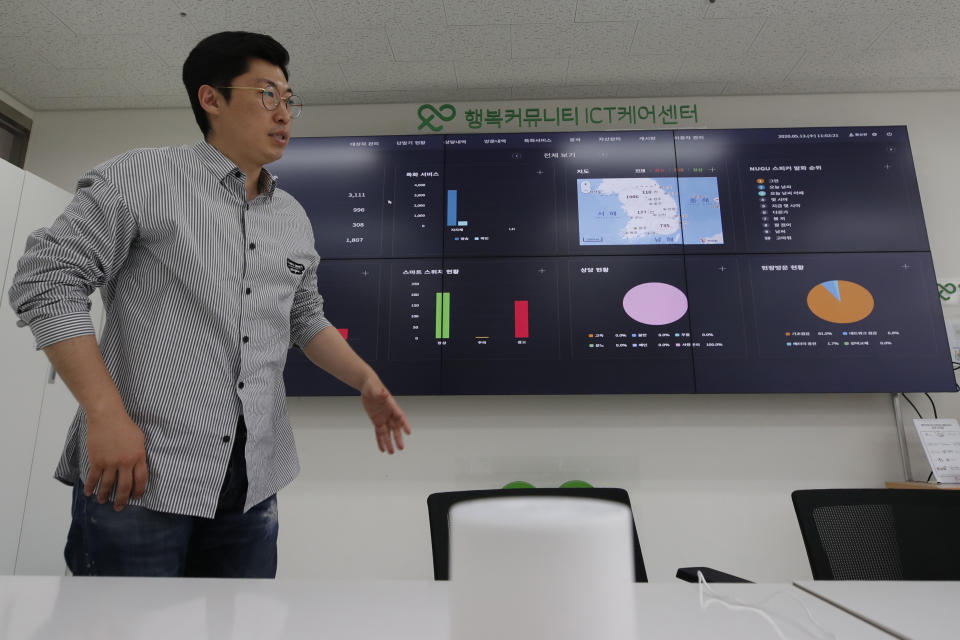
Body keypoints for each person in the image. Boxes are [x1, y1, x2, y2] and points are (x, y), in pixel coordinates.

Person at [7, 31, 410, 578]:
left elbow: (304, 319)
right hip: (142, 473)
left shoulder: (291, 215)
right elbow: (47, 278)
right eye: (267, 94)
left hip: (252, 481)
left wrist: (367, 380)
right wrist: (105, 415)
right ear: (211, 98)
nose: (285, 113)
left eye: (289, 99)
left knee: (240, 628)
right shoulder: (142, 177)